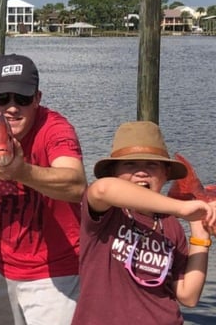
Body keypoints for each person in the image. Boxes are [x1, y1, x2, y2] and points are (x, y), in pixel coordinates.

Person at [0, 53, 86, 325]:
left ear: (37, 98)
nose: (11, 108)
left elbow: (76, 184)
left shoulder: (55, 127)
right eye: (2, 99)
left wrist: (21, 172)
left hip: (58, 275)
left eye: (22, 99)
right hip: (0, 269)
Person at [71, 120, 216, 325]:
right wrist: (181, 207)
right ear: (114, 173)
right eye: (130, 164)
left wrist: (200, 234)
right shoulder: (106, 213)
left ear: (166, 174)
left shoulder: (171, 225)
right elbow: (102, 190)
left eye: (152, 164)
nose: (141, 171)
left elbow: (188, 296)